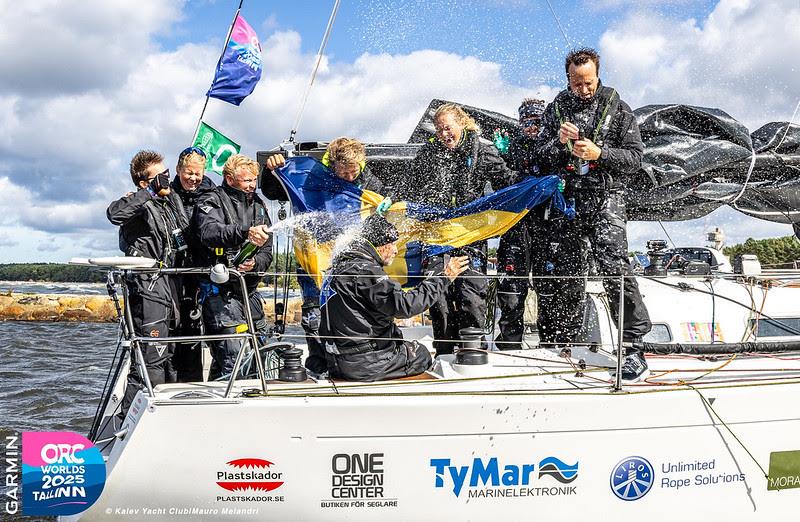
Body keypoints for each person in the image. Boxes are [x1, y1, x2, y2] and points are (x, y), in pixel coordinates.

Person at [536, 47, 652, 380]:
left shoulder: (618, 108)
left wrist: (599, 153)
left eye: (588, 83)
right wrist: (558, 144)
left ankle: (634, 347)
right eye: (576, 84)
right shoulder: (555, 109)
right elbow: (541, 157)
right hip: (569, 201)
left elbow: (634, 159)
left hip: (606, 198)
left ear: (597, 74)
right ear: (568, 78)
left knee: (614, 268)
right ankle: (569, 343)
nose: (583, 90)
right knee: (568, 271)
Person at [397, 103, 516, 356]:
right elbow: (408, 186)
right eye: (439, 130)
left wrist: (520, 170)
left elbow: (508, 183)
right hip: (437, 235)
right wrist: (394, 204)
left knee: (470, 294)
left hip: (469, 235)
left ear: (462, 123)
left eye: (447, 128)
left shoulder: (483, 151)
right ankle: (444, 351)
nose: (443, 134)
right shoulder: (429, 154)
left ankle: (473, 350)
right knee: (438, 296)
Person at [264, 137, 384, 376]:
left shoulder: (370, 182)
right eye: (344, 172)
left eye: (354, 172)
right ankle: (318, 367)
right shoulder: (311, 175)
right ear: (334, 165)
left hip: (351, 263)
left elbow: (381, 221)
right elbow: (272, 190)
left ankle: (351, 367)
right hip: (314, 257)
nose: (350, 177)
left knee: (353, 315)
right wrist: (271, 170)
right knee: (315, 316)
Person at [319, 213, 469, 381]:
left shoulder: (337, 268)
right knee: (421, 353)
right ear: (379, 245)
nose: (396, 250)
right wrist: (444, 278)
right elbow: (406, 306)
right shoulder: (366, 271)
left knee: (406, 346)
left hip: (337, 361)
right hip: (367, 364)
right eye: (392, 244)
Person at [107, 149, 190, 413]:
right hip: (147, 288)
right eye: (160, 177)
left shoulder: (170, 203)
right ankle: (130, 422)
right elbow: (113, 214)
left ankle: (169, 415)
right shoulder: (137, 204)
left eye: (166, 175)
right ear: (145, 183)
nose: (167, 180)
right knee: (149, 360)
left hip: (171, 286)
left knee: (171, 358)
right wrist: (149, 193)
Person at [194, 154, 273, 380]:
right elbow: (208, 232)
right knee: (235, 358)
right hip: (220, 294)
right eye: (247, 180)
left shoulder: (258, 204)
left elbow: (268, 250)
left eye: (254, 180)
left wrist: (255, 263)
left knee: (259, 356)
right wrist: (244, 232)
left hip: (250, 292)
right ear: (229, 179)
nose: (252, 185)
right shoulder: (211, 200)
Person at [494, 98, 544, 350]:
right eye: (526, 123)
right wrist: (500, 155)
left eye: (536, 122)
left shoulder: (552, 146)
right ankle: (509, 343)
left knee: (549, 287)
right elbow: (500, 183)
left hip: (548, 225)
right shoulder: (510, 148)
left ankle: (553, 344)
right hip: (516, 226)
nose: (531, 128)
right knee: (512, 288)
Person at [169, 146, 216, 382]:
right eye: (188, 173)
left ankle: (197, 382)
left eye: (198, 173)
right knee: (176, 328)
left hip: (203, 271)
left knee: (203, 330)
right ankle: (171, 380)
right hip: (175, 271)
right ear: (178, 170)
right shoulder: (166, 195)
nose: (193, 179)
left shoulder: (213, 194)